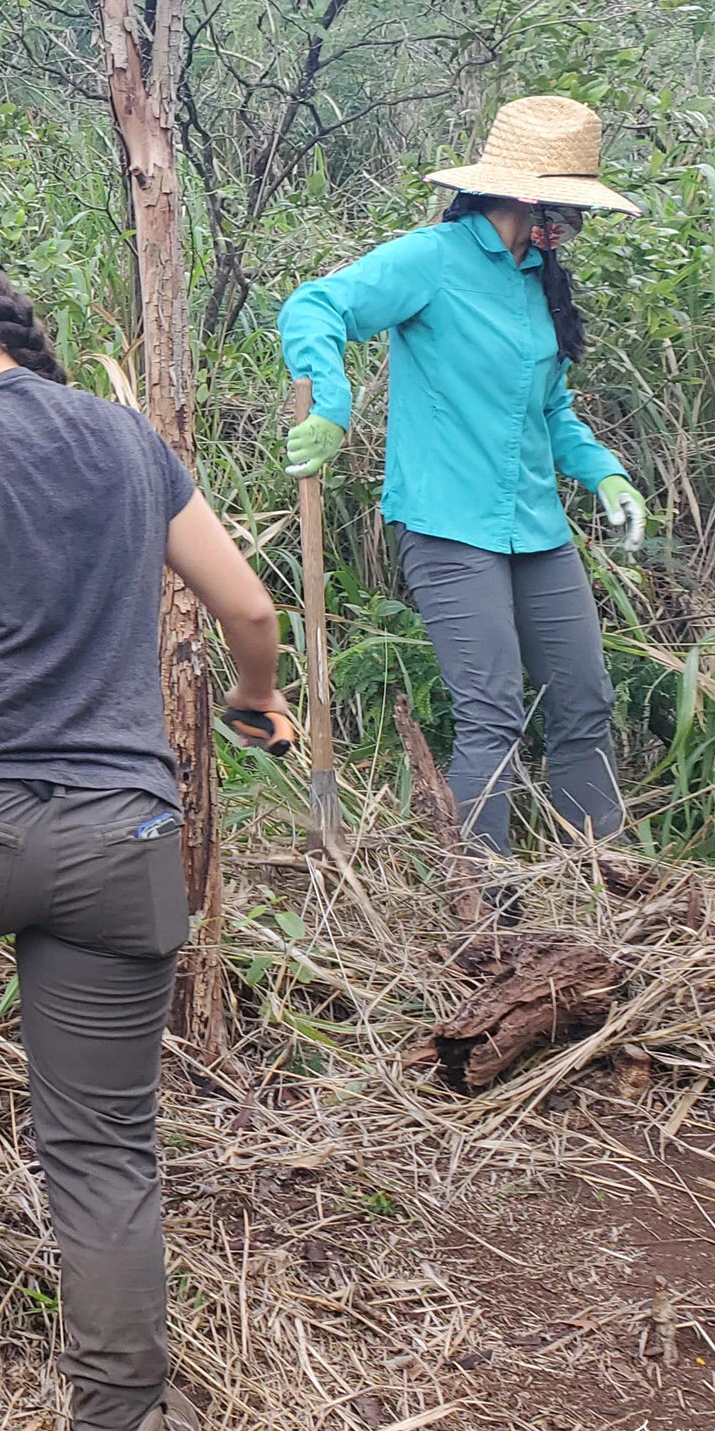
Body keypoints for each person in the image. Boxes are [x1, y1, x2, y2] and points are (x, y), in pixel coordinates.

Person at [0, 233, 295, 1431]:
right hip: (118, 838)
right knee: (104, 1153)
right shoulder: (123, 439)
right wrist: (258, 706)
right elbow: (250, 610)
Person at [278, 94, 650, 868]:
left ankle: (601, 880)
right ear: (526, 197)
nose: (575, 222)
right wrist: (334, 405)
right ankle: (486, 904)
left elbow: (552, 411)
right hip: (448, 526)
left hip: (536, 527)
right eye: (568, 205)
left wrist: (607, 474)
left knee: (585, 701)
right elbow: (317, 304)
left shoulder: (534, 280)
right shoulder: (432, 259)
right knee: (493, 716)